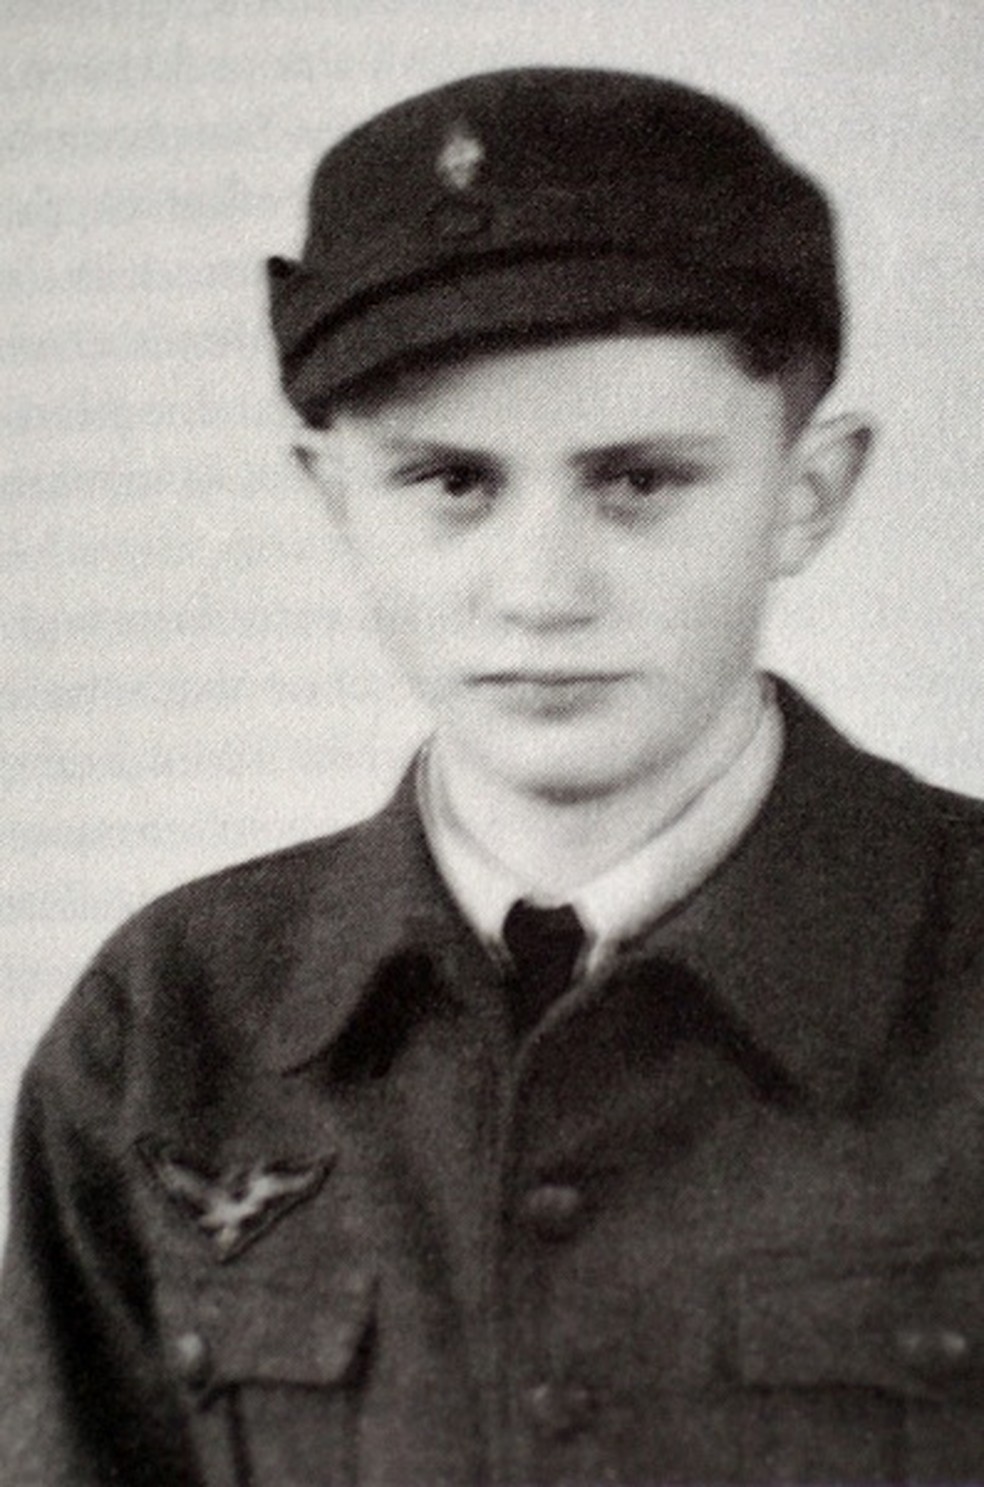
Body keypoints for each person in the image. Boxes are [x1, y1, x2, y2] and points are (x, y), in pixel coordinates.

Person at [3, 65, 984, 1487]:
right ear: (332, 497)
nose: (541, 593)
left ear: (807, 494)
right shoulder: (170, 1028)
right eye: (451, 483)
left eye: (639, 482)